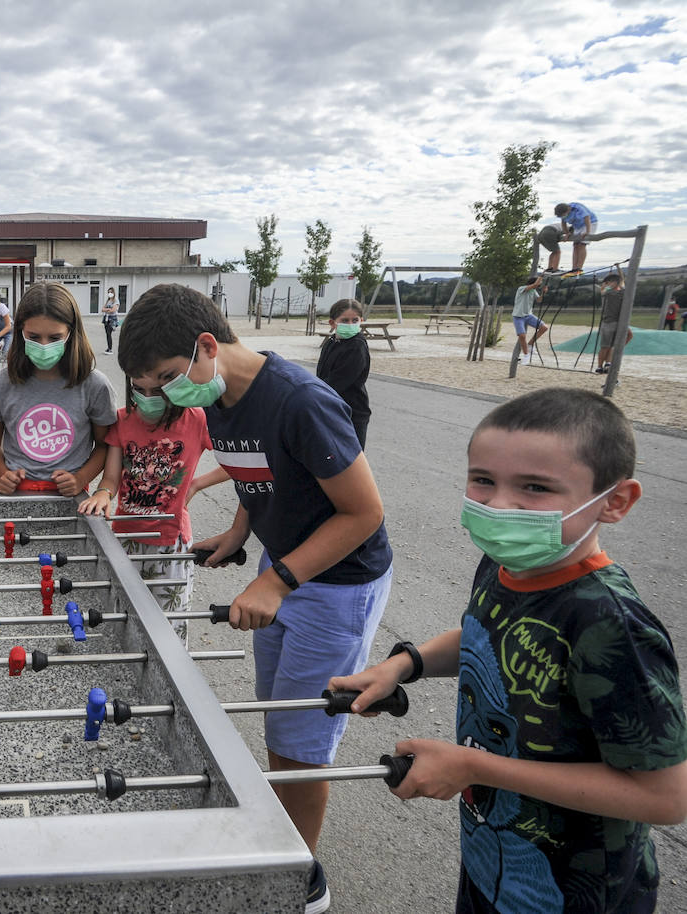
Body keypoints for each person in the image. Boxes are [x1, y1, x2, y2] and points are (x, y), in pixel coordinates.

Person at [332, 388, 687, 914]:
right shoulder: (507, 565)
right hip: (493, 861)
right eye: (483, 480)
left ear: (615, 502)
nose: (499, 506)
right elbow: (483, 633)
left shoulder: (610, 625)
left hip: (577, 892)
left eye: (536, 487)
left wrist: (477, 767)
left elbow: (665, 796)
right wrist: (403, 665)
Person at [118, 283, 392, 914]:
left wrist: (276, 581)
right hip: (287, 566)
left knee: (299, 742)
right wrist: (242, 533)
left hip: (337, 584)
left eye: (164, 378)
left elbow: (363, 513)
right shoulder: (219, 398)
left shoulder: (301, 402)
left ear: (206, 347)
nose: (159, 395)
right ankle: (284, 852)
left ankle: (298, 882)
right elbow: (256, 470)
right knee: (280, 721)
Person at [78, 377, 213, 639]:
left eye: (158, 391)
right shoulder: (122, 419)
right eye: (139, 390)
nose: (147, 397)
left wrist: (196, 484)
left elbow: (236, 460)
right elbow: (111, 479)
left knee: (169, 630)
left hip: (171, 543)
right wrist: (103, 493)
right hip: (126, 539)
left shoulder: (196, 419)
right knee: (123, 623)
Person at [0, 282, 116, 496]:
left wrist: (80, 479)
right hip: (18, 496)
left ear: (71, 334)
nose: (44, 346)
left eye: (54, 338)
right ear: (20, 332)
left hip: (72, 497)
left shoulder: (95, 386)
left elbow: (104, 445)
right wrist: (3, 474)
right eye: (34, 337)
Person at [314, 298, 373, 448]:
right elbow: (321, 373)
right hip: (331, 409)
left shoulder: (356, 346)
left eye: (355, 320)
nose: (350, 325)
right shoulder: (331, 342)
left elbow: (339, 381)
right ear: (333, 323)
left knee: (351, 460)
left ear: (361, 320)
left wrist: (312, 393)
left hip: (352, 412)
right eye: (345, 320)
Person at [595, 272, 632, 374]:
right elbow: (605, 291)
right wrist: (608, 285)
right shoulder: (610, 292)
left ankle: (608, 363)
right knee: (605, 346)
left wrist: (619, 270)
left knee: (614, 344)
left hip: (618, 322)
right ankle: (600, 366)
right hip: (609, 322)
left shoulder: (616, 292)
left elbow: (622, 284)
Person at [510, 276, 548, 367]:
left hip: (528, 315)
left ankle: (530, 344)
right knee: (522, 336)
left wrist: (543, 293)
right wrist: (541, 275)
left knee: (544, 327)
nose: (540, 284)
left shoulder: (533, 291)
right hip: (518, 316)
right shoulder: (522, 288)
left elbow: (539, 300)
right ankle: (526, 355)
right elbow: (535, 284)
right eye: (539, 282)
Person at [554, 202, 597, 274]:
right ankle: (574, 268)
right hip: (577, 226)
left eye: (563, 215)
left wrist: (587, 231)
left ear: (568, 210)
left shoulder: (578, 208)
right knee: (575, 245)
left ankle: (579, 268)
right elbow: (563, 223)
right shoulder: (563, 214)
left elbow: (587, 218)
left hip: (590, 223)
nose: (563, 216)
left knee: (582, 244)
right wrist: (567, 233)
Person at [101, 287, 120, 353]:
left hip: (112, 319)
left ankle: (110, 349)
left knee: (109, 333)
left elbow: (113, 310)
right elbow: (102, 309)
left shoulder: (116, 300)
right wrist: (108, 309)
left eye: (111, 292)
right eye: (109, 292)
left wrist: (107, 310)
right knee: (107, 334)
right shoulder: (108, 300)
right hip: (106, 318)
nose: (110, 293)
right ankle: (109, 348)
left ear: (114, 293)